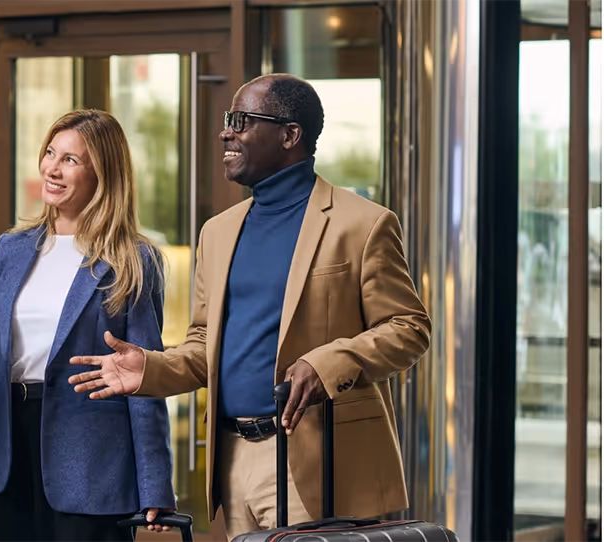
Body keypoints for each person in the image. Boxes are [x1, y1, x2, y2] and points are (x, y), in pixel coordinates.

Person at [68, 74, 431, 537]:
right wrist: (151, 369)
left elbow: (409, 327)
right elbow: (204, 344)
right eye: (227, 121)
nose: (226, 132)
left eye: (240, 121)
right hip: (232, 457)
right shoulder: (217, 232)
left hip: (318, 461)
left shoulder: (364, 224)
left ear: (289, 135)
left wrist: (331, 361)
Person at [0, 110, 177, 542]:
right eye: (51, 153)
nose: (52, 167)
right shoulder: (7, 251)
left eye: (71, 159)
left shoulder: (134, 261)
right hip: (11, 451)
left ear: (102, 174)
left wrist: (155, 482)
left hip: (92, 463)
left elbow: (145, 381)